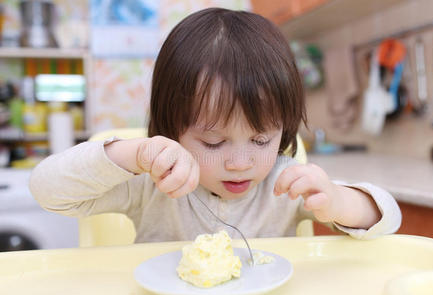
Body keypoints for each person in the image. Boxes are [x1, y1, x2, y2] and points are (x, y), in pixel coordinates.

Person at [29, 8, 401, 243]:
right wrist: (132, 154)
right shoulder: (150, 184)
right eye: (212, 142)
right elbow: (46, 191)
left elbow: (388, 217)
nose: (241, 162)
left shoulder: (284, 182)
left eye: (260, 139)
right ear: (173, 130)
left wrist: (337, 202)